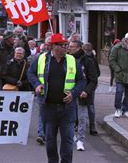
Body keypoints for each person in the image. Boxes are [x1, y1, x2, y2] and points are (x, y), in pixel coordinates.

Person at [27, 33, 86, 163]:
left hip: (67, 108)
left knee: (67, 139)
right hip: (48, 106)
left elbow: (82, 81)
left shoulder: (72, 60)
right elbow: (30, 73)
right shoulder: (41, 58)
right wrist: (37, 84)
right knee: (50, 140)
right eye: (63, 45)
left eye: (66, 45)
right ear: (54, 47)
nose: (66, 48)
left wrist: (74, 93)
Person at [68, 40, 98, 151]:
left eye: (72, 46)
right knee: (70, 118)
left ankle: (80, 140)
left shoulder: (88, 61)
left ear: (79, 47)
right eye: (69, 46)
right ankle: (72, 136)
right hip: (69, 93)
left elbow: (93, 79)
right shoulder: (67, 59)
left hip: (82, 94)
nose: (69, 48)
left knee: (81, 118)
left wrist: (86, 91)